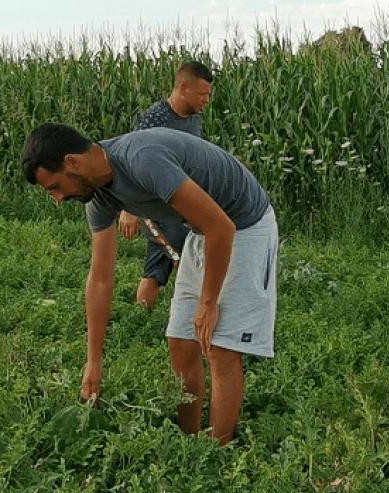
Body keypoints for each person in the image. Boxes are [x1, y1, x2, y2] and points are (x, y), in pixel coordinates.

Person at [21, 123, 278, 445]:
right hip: (201, 230)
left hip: (243, 225)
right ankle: (191, 444)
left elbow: (221, 227)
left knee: (219, 347)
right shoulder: (99, 199)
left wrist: (208, 303)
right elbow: (100, 279)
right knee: (181, 343)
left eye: (55, 187)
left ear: (72, 162)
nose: (58, 199)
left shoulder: (143, 159)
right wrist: (94, 362)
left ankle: (219, 452)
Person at [119, 60, 213, 310]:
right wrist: (128, 209)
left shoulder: (194, 121)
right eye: (202, 94)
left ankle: (138, 319)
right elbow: (131, 159)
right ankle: (195, 319)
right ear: (182, 86)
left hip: (178, 206)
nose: (206, 100)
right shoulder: (155, 118)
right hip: (153, 206)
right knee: (186, 256)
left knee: (157, 267)